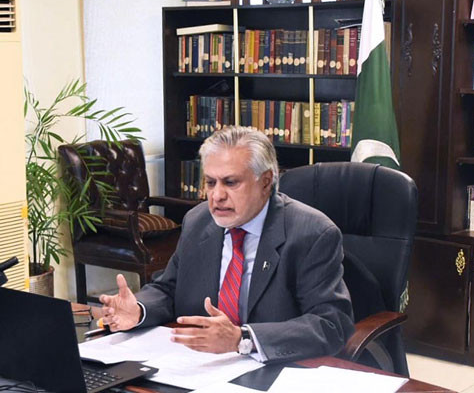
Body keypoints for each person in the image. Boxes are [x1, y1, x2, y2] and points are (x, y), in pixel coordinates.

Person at [100, 126, 354, 363]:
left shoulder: (311, 233)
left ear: (266, 181)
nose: (217, 196)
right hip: (200, 364)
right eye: (210, 182)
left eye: (230, 182)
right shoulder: (198, 221)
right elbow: (169, 288)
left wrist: (242, 338)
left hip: (274, 367)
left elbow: (331, 324)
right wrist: (138, 309)